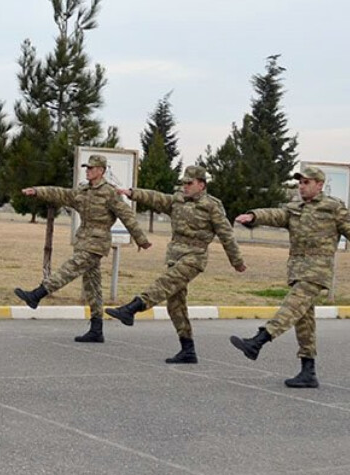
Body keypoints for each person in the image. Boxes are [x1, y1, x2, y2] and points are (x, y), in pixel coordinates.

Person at [229, 165, 350, 388]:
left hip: (317, 270)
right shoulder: (296, 208)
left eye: (306, 182)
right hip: (297, 269)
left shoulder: (332, 208)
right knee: (304, 321)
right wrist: (254, 215)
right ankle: (308, 371)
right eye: (299, 183)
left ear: (319, 185)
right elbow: (276, 215)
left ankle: (258, 341)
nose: (301, 187)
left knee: (291, 306)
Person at [105, 165, 246, 363]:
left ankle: (132, 308)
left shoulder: (212, 206)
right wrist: (131, 193)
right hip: (175, 256)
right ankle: (188, 350)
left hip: (194, 257)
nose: (185, 186)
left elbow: (226, 235)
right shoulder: (177, 200)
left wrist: (237, 261)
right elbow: (156, 198)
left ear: (201, 184)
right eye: (184, 183)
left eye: (189, 183)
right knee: (176, 304)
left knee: (166, 282)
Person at [13, 154, 152, 343]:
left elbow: (126, 215)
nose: (88, 170)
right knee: (92, 286)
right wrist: (38, 191)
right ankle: (96, 329)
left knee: (70, 268)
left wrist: (141, 239)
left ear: (101, 171)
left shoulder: (109, 192)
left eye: (92, 168)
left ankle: (37, 294)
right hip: (83, 241)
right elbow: (61, 194)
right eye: (87, 168)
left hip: (96, 244)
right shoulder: (83, 190)